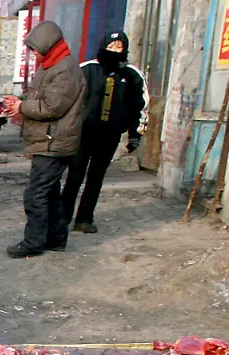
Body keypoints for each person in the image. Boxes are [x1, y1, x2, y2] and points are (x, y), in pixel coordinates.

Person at [3, 20, 86, 258]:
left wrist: (22, 107)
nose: (34, 54)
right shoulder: (50, 65)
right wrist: (19, 102)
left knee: (36, 194)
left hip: (54, 141)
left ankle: (34, 241)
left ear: (47, 45)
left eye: (36, 49)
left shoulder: (65, 69)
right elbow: (38, 97)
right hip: (48, 140)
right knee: (49, 193)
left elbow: (52, 107)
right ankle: (56, 238)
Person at [63, 30, 146, 234]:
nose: (115, 50)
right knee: (74, 175)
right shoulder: (87, 69)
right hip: (83, 133)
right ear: (103, 46)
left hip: (109, 135)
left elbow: (139, 106)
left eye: (119, 46)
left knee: (96, 177)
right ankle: (62, 217)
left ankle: (84, 219)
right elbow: (69, 98)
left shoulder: (131, 74)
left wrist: (135, 134)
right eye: (111, 46)